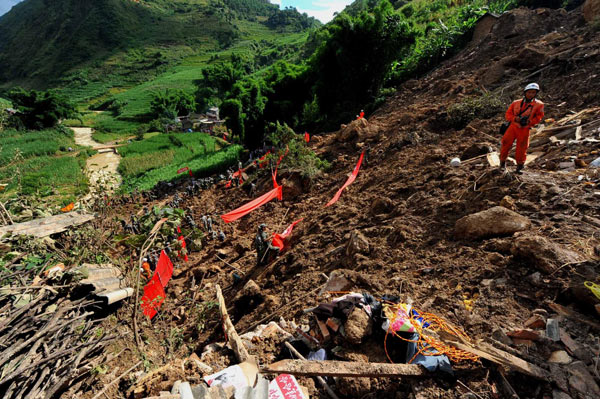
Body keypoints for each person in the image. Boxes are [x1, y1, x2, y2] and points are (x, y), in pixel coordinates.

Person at [499, 83, 545, 174]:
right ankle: (502, 163)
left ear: (536, 93)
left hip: (525, 128)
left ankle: (520, 166)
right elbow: (508, 114)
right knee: (506, 144)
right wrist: (515, 118)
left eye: (533, 92)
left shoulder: (539, 105)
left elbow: (539, 117)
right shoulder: (516, 103)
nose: (531, 94)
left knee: (522, 147)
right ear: (525, 92)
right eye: (529, 92)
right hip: (513, 126)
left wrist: (530, 122)